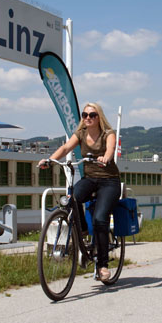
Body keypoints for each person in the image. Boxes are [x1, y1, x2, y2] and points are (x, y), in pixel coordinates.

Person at [39, 103, 120, 282]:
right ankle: (82, 229)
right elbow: (66, 148)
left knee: (100, 219)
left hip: (109, 181)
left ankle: (103, 265)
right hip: (90, 179)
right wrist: (50, 160)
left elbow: (110, 149)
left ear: (99, 117)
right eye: (85, 115)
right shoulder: (81, 133)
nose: (88, 118)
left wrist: (106, 157)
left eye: (92, 115)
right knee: (71, 199)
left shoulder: (108, 133)